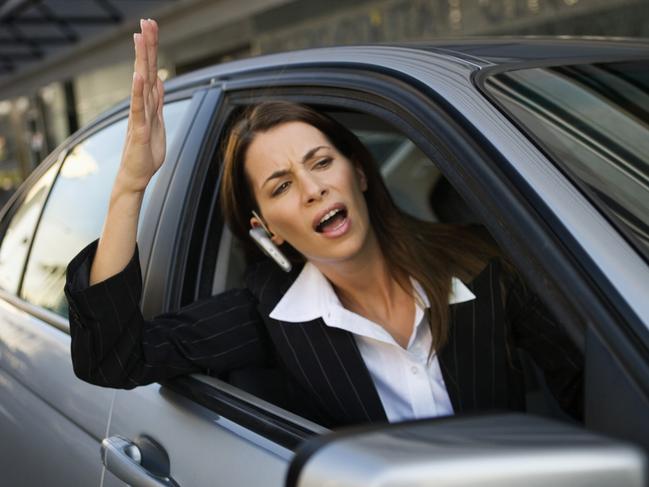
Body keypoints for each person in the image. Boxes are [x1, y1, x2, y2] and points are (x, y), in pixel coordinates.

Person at [65, 19, 583, 428]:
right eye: (281, 186)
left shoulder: (483, 263)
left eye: (320, 162)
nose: (313, 188)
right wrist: (131, 184)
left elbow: (593, 386)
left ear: (357, 171)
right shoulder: (266, 315)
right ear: (267, 227)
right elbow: (112, 359)